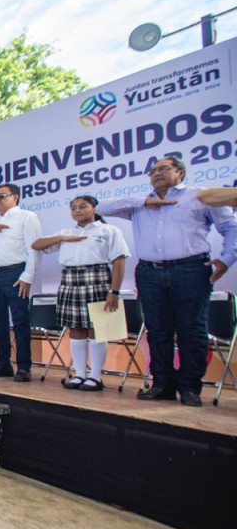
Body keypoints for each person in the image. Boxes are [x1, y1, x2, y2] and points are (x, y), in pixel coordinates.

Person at [100, 157, 237, 406]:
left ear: (180, 173)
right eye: (152, 171)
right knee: (157, 330)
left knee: (191, 329)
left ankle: (190, 388)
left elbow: (231, 227)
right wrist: (144, 201)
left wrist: (227, 258)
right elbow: (102, 207)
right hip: (149, 272)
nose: (156, 174)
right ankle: (162, 384)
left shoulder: (200, 196)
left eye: (163, 169)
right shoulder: (140, 204)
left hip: (191, 269)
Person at [32, 195, 129, 391]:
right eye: (73, 207)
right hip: (70, 279)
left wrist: (114, 291)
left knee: (97, 329)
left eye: (82, 206)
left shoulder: (109, 230)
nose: (77, 210)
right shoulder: (66, 232)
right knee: (75, 328)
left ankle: (95, 376)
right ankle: (79, 374)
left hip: (98, 278)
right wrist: (62, 238)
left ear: (94, 208)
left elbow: (119, 260)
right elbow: (36, 245)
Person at [0, 183, 42, 382]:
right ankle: (3, 364)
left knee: (20, 321)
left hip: (16, 273)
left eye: (1, 196)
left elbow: (34, 248)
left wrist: (28, 276)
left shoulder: (27, 217)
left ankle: (24, 367)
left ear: (15, 197)